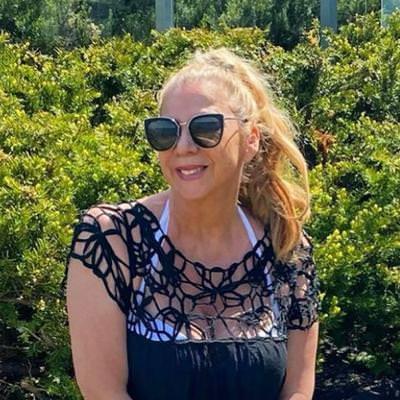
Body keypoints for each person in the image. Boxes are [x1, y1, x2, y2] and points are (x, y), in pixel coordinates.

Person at [63, 47, 321, 400]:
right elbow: (103, 391)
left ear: (251, 139)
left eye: (206, 128)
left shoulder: (286, 247)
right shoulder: (112, 241)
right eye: (165, 131)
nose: (183, 146)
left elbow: (297, 392)